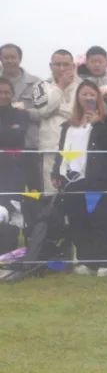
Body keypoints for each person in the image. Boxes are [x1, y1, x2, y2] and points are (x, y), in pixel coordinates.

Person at [52, 80, 107, 276]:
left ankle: (106, 262)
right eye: (84, 94)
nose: (88, 98)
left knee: (101, 220)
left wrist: (98, 123)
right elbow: (61, 151)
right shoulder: (68, 125)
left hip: (99, 179)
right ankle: (87, 260)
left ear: (98, 98)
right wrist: (56, 172)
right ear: (78, 97)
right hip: (72, 179)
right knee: (78, 220)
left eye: (92, 94)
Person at [30, 49, 78, 195]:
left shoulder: (83, 86)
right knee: (52, 193)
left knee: (75, 192)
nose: (62, 68)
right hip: (50, 148)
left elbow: (81, 114)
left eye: (66, 64)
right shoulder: (40, 86)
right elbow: (42, 111)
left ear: (73, 66)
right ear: (51, 66)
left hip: (76, 148)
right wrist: (60, 87)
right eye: (57, 64)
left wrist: (56, 109)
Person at [0, 77, 30, 248]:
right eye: (0, 92)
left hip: (13, 172)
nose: (3, 96)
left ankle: (8, 251)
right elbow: (9, 136)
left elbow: (17, 136)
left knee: (11, 211)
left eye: (7, 92)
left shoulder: (21, 114)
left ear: (12, 94)